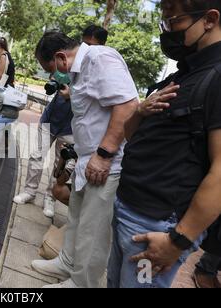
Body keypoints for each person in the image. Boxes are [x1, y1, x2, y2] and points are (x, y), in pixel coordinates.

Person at [108, 0, 221, 288]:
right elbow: (135, 136)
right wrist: (140, 111)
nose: (167, 30)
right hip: (128, 213)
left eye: (174, 20)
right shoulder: (183, 74)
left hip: (156, 232)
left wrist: (178, 241)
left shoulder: (217, 79)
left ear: (209, 19)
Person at [31, 31, 138, 288]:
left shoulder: (101, 59)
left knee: (93, 228)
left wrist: (104, 155)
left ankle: (82, 283)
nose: (52, 76)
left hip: (106, 163)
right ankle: (67, 261)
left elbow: (127, 106)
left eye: (51, 69)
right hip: (86, 159)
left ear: (60, 57)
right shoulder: (78, 72)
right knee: (77, 218)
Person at [13, 88, 74, 218]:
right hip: (49, 119)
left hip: (71, 128)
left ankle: (51, 197)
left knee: (60, 163)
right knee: (37, 155)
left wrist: (73, 94)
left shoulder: (91, 74)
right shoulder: (66, 70)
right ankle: (29, 191)